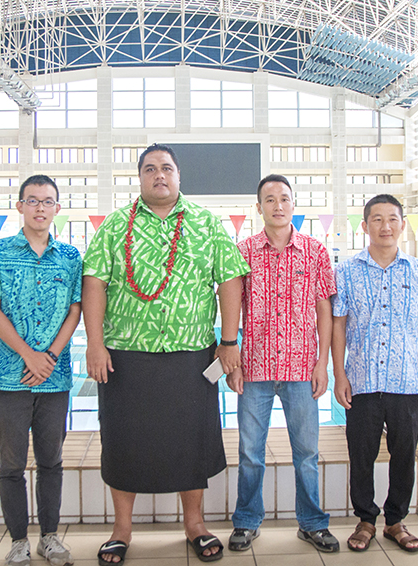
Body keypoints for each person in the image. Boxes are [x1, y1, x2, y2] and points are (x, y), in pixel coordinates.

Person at [82, 143, 249, 564]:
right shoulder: (115, 225)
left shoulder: (206, 224)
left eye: (167, 168)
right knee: (123, 444)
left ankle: (195, 524)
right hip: (126, 356)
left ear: (178, 176)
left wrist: (229, 341)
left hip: (191, 356)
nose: (159, 175)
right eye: (150, 168)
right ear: (140, 177)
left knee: (192, 444)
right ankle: (122, 530)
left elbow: (230, 281)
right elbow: (95, 282)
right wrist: (95, 343)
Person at [0, 175, 81, 566]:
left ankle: (49, 537)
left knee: (51, 460)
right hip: (9, 375)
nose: (40, 208)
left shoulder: (70, 257)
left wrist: (48, 355)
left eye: (47, 201)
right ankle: (18, 540)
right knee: (12, 463)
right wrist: (28, 355)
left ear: (57, 209)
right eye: (32, 200)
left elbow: (75, 310)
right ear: (19, 206)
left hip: (54, 376)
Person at [226, 175, 339, 554]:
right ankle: (246, 521)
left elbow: (324, 310)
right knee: (250, 453)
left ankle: (312, 523)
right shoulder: (243, 251)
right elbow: (232, 307)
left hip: (301, 369)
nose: (278, 205)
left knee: (306, 454)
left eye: (284, 198)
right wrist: (234, 361)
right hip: (254, 368)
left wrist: (322, 364)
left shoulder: (315, 251)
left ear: (294, 205)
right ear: (258, 207)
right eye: (270, 199)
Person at [331, 194, 418, 554]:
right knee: (361, 456)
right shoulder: (346, 271)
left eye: (392, 219)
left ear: (402, 224)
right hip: (362, 380)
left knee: (404, 455)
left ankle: (395, 521)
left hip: (406, 381)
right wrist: (339, 374)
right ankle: (365, 520)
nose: (385, 226)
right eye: (377, 219)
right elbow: (338, 325)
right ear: (365, 226)